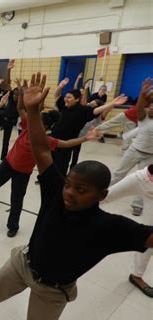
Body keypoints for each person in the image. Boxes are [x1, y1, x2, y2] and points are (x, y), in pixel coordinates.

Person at [0, 72, 153, 320]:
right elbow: (40, 147)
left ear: (101, 196)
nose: (70, 193)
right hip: (24, 263)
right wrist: (34, 112)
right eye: (70, 184)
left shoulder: (109, 227)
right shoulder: (55, 190)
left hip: (53, 290)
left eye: (81, 190)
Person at [0, 82, 101, 237]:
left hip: (23, 173)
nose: (34, 124)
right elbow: (20, 109)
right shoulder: (27, 126)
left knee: (17, 199)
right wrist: (22, 95)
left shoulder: (47, 140)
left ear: (45, 127)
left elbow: (65, 143)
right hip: (8, 164)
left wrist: (85, 138)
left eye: (39, 124)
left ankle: (13, 226)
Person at [51, 77, 127, 175]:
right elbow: (57, 95)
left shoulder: (82, 110)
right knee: (49, 161)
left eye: (69, 97)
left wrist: (112, 104)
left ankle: (61, 180)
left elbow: (96, 110)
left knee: (61, 164)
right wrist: (60, 86)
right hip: (54, 139)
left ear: (77, 99)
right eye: (66, 96)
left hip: (68, 142)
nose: (66, 99)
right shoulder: (64, 106)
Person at [104, 164, 153, 297]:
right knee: (104, 197)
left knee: (149, 238)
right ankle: (67, 215)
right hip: (143, 179)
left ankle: (136, 275)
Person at [109, 78, 153, 216]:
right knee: (118, 173)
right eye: (150, 106)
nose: (151, 108)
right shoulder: (144, 117)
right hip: (134, 150)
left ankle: (137, 205)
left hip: (150, 155)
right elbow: (139, 107)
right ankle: (105, 192)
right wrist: (142, 92)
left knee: (144, 180)